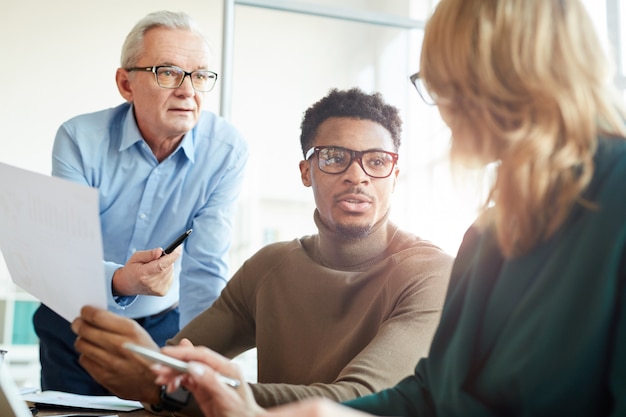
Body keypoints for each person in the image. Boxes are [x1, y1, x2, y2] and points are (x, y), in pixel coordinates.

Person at [140, 0, 626, 416]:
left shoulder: (613, 198)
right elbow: (431, 397)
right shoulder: (491, 233)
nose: (440, 107)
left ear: (505, 75)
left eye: (443, 82)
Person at [70, 87, 454, 413]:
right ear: (306, 172)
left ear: (395, 176)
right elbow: (173, 361)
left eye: (377, 161)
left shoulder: (431, 275)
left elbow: (348, 402)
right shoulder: (271, 267)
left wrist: (167, 388)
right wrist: (134, 360)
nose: (358, 175)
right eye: (334, 158)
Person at [34, 10, 248, 395]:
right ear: (125, 83)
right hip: (75, 319)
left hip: (165, 322)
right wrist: (121, 280)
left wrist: (197, 360)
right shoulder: (79, 139)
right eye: (168, 72)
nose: (188, 91)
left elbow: (205, 268)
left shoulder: (226, 151)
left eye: (200, 75)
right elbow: (65, 258)